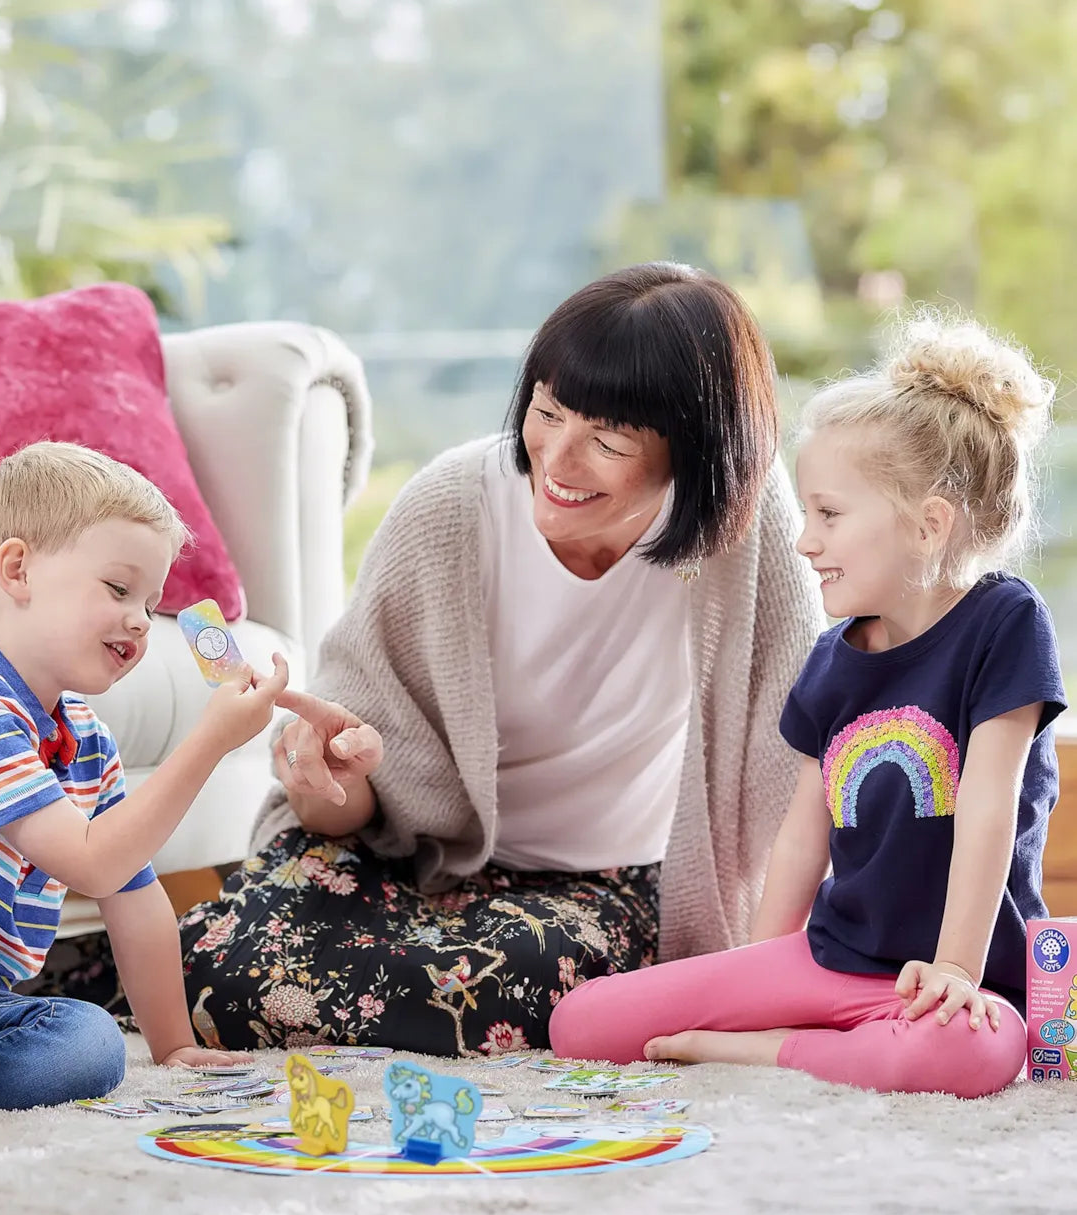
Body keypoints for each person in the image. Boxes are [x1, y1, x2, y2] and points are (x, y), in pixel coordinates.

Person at [178, 261, 825, 1057]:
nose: (557, 459)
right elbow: (340, 814)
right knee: (229, 969)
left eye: (609, 441)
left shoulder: (747, 534)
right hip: (413, 864)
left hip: (605, 886)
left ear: (696, 450)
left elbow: (799, 766)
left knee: (505, 991)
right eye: (548, 412)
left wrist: (767, 977)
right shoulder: (450, 507)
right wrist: (331, 779)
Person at [549, 310, 1066, 1098]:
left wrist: (956, 967)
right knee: (580, 1023)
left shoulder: (1004, 623)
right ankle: (805, 1037)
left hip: (952, 983)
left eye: (828, 514)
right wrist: (753, 976)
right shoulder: (832, 658)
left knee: (976, 1054)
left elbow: (989, 806)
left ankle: (761, 1054)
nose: (803, 540)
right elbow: (803, 836)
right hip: (834, 962)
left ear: (928, 526)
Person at [0, 443, 282, 1117]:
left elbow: (132, 893)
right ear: (18, 570)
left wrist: (174, 1045)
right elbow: (93, 863)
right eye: (119, 589)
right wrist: (209, 741)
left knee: (89, 1042)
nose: (139, 618)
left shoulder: (86, 740)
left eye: (151, 602)